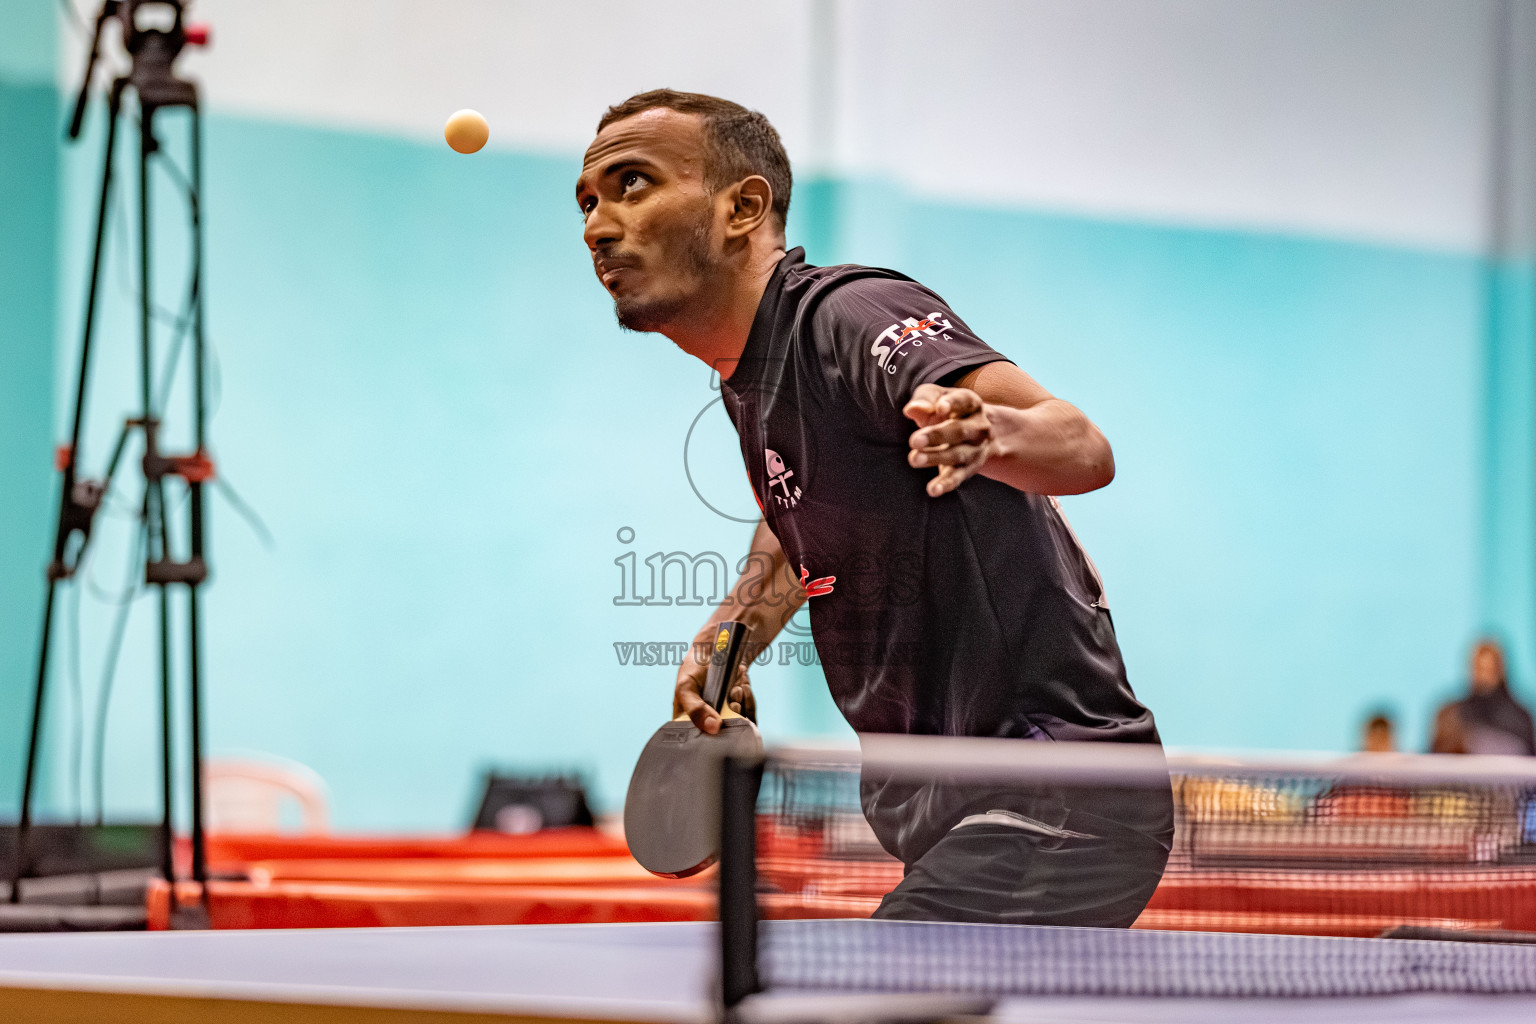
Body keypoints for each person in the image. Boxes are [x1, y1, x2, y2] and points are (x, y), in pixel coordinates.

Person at [578, 90, 1171, 925]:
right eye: (588, 203)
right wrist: (728, 639)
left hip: (1056, 799)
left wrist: (989, 431)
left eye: (632, 185)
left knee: (864, 987)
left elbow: (1081, 446)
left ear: (743, 208)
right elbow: (797, 524)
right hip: (953, 817)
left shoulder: (850, 314)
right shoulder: (754, 382)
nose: (598, 227)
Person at [1430, 639, 1536, 756]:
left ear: (1500, 670)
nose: (1484, 676)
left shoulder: (1519, 718)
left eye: (1490, 670)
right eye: (1479, 668)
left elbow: (1528, 760)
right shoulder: (1450, 716)